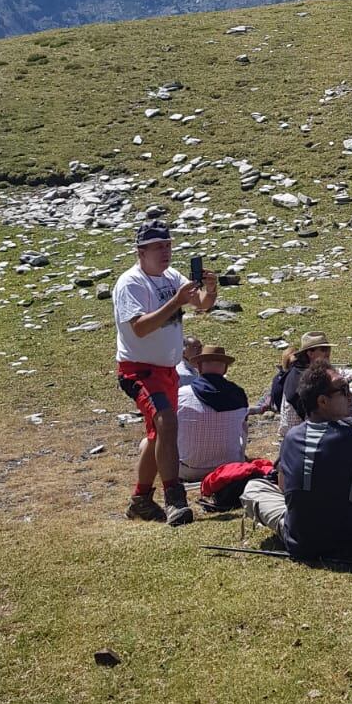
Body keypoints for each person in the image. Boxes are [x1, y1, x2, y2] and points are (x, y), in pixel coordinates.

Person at [113, 220, 216, 526]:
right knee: (167, 422)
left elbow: (201, 305)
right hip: (139, 370)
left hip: (167, 369)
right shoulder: (131, 283)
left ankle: (141, 500)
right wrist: (176, 301)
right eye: (158, 246)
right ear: (140, 252)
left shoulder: (172, 276)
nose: (166, 251)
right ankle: (175, 498)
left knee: (157, 434)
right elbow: (140, 327)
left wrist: (210, 290)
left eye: (169, 244)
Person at [242, 363, 352, 560]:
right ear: (322, 401)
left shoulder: (291, 437)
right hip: (351, 538)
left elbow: (283, 488)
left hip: (299, 540)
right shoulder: (350, 437)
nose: (351, 395)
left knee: (253, 488)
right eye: (343, 389)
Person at [174, 344, 250, 482]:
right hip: (230, 467)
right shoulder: (238, 394)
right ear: (225, 368)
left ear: (199, 366)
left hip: (189, 471)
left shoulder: (181, 395)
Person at [262, 332, 334, 429]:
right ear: (310, 353)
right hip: (301, 434)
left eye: (328, 349)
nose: (327, 353)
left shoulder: (299, 370)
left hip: (297, 431)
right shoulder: (306, 376)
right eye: (323, 349)